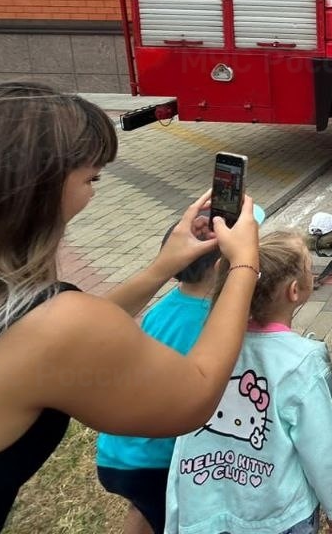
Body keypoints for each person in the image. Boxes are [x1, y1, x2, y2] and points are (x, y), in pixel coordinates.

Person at [0, 81, 261, 534]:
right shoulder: (56, 327)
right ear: (34, 189)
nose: (95, 192)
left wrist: (161, 267)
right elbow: (194, 394)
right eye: (91, 178)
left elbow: (61, 331)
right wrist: (244, 264)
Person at [165, 232, 332, 534]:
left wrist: (174, 516)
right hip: (279, 515)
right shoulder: (303, 362)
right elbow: (322, 444)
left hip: (203, 510)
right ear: (295, 291)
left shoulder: (206, 349)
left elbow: (184, 443)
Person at [96, 207, 262, 534]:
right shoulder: (212, 324)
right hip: (157, 462)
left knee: (145, 508)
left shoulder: (163, 306)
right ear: (222, 266)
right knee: (176, 521)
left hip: (118, 453)